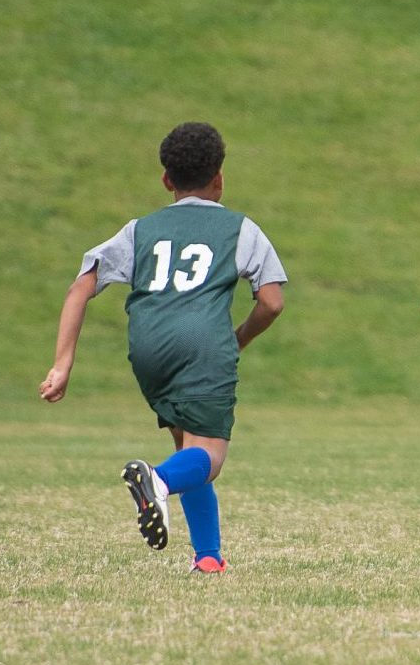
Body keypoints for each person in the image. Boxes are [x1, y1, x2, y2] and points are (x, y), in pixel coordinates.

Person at [38, 122, 287, 572]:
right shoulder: (241, 228)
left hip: (148, 348)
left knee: (188, 445)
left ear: (166, 180)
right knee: (207, 458)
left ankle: (208, 558)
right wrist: (237, 340)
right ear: (221, 177)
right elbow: (271, 302)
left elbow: (80, 288)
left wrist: (62, 364)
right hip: (204, 344)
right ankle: (157, 480)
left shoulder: (140, 230)